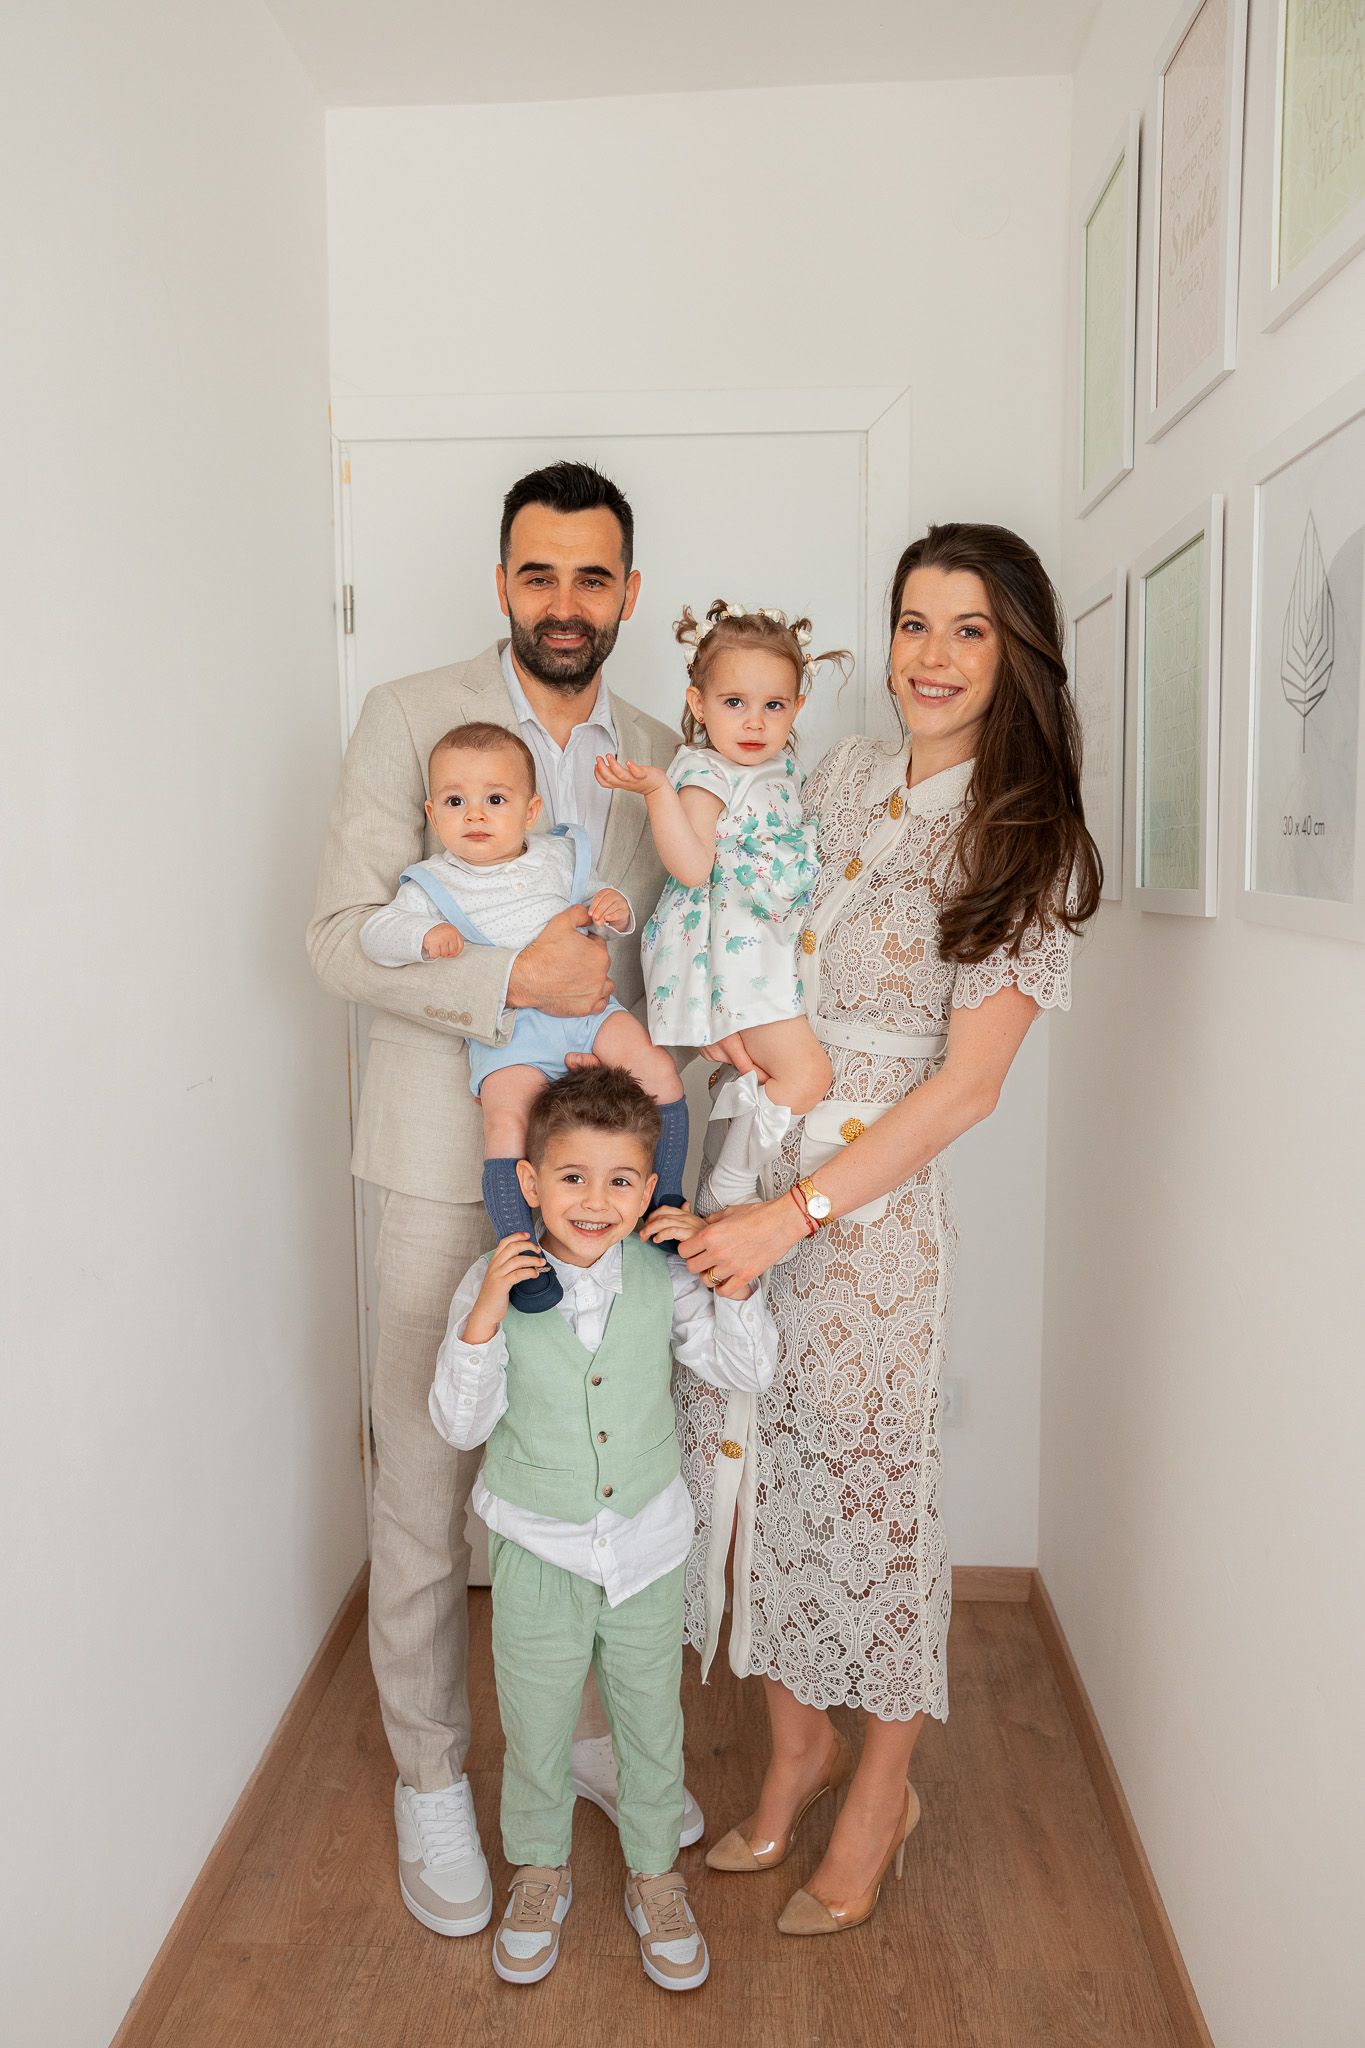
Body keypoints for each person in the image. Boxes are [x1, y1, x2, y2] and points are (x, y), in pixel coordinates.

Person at [672, 524, 1102, 1936]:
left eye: (969, 629)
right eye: (914, 621)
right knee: (752, 1478)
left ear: (1016, 653)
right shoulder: (840, 772)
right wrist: (728, 1028)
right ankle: (796, 1754)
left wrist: (791, 1217)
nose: (931, 654)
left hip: (862, 1222)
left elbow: (965, 1090)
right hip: (749, 1160)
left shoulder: (1029, 840)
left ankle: (881, 1788)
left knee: (867, 1499)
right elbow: (745, 910)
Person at [307, 461, 702, 1938]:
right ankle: (429, 1776)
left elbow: (667, 951)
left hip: (603, 1183)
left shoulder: (659, 747)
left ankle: (587, 1738)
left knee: (594, 1451)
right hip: (438, 1158)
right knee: (423, 1480)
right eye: (539, 573)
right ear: (502, 583)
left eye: (593, 576)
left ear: (629, 592)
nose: (565, 601)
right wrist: (505, 979)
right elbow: (338, 938)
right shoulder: (407, 716)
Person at [428, 1067, 776, 1989]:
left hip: (647, 1545)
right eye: (572, 1177)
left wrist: (729, 1274)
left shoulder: (664, 1273)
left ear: (648, 1187)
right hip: (537, 1546)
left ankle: (654, 1874)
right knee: (536, 1724)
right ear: (530, 1182)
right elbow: (459, 1425)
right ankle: (539, 1870)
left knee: (652, 1722)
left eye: (620, 1180)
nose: (595, 1200)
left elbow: (747, 1370)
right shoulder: (491, 1281)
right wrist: (484, 1314)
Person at [358, 719, 687, 1309]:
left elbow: (597, 896)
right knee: (506, 1123)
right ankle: (522, 1253)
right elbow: (374, 934)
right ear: (433, 815)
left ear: (530, 810)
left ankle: (666, 1201)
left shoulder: (557, 856)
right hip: (509, 1033)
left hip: (590, 1011)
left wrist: (614, 907)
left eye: (495, 800)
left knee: (658, 1071)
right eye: (455, 802)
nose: (475, 815)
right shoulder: (431, 885)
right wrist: (421, 937)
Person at [595, 600, 847, 1205]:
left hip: (766, 955)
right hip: (731, 964)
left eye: (773, 706)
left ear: (797, 708)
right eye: (734, 702)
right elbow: (691, 866)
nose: (754, 722)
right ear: (698, 703)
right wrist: (659, 791)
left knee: (656, 1075)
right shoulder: (706, 774)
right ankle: (727, 1185)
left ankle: (677, 1170)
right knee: (807, 1074)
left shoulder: (782, 771)